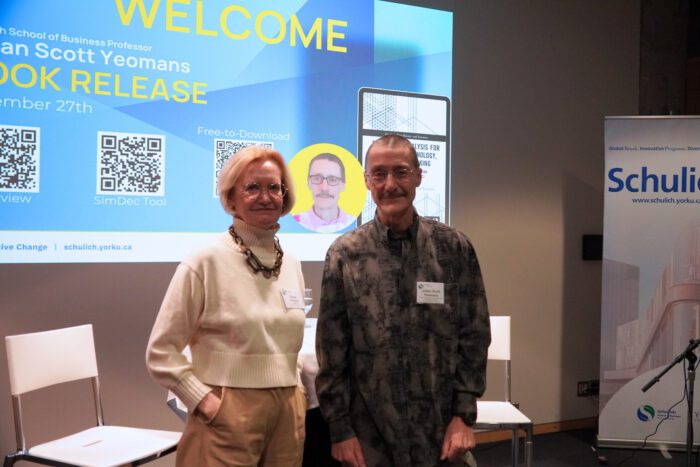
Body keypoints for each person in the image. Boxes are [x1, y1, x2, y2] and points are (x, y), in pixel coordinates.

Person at [315, 134, 491, 467]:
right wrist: (340, 430)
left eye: (401, 172)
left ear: (419, 176)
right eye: (379, 174)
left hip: (440, 432)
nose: (390, 184)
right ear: (367, 181)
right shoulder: (345, 255)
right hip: (370, 436)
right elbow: (332, 349)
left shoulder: (453, 249)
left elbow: (474, 335)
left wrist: (463, 416)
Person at [146, 146, 307, 467]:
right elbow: (161, 352)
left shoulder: (291, 263)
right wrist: (204, 402)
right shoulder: (205, 261)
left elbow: (285, 342)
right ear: (231, 198)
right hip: (226, 410)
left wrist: (297, 392)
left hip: (288, 412)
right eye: (252, 187)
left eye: (274, 187)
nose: (266, 196)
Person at [294, 153, 356, 233]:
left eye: (332, 179)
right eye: (317, 178)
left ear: (342, 186)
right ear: (308, 183)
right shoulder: (299, 221)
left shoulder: (354, 224)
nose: (324, 188)